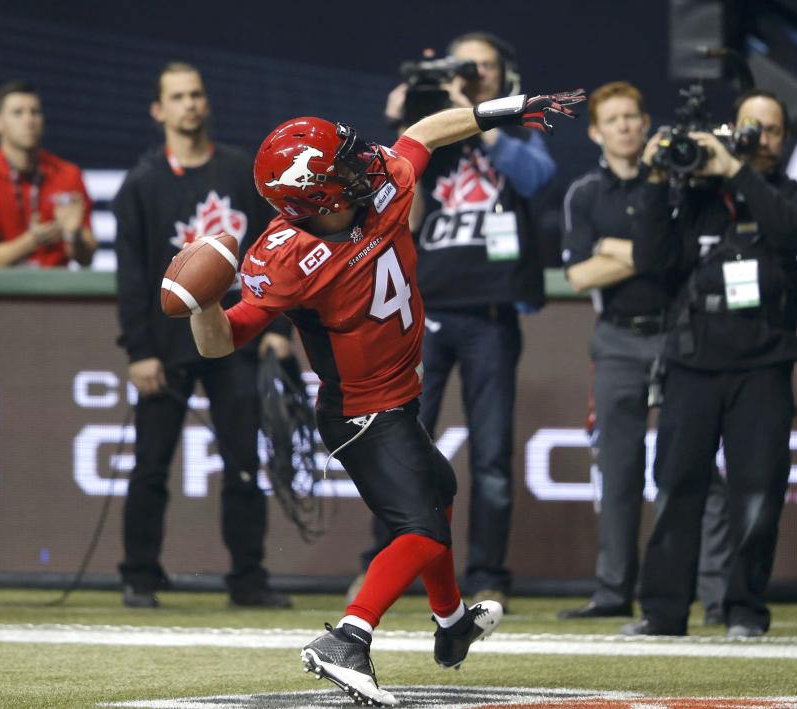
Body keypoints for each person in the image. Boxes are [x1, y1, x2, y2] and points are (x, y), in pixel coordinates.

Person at [187, 89, 583, 705]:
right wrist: (202, 304)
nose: (362, 165)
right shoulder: (286, 258)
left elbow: (424, 131)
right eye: (344, 166)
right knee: (422, 527)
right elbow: (222, 342)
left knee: (440, 494)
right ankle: (349, 636)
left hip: (397, 399)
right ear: (314, 195)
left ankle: (451, 623)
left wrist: (502, 109)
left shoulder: (384, 189)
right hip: (359, 411)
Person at [352, 32, 557, 612]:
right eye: (464, 68)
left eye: (484, 67)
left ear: (504, 74)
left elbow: (537, 180)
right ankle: (383, 564)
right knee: (399, 445)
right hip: (425, 311)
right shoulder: (427, 133)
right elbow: (388, 205)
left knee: (491, 453)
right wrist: (409, 122)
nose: (473, 76)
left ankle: (489, 573)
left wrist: (474, 117)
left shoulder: (518, 126)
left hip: (491, 312)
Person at [623, 90, 797, 638]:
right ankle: (663, 612)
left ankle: (744, 610)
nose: (761, 136)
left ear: (783, 139)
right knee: (677, 486)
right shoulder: (698, 198)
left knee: (757, 491)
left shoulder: (794, 194)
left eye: (773, 129)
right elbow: (650, 260)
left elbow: (786, 230)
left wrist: (735, 169)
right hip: (691, 363)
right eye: (751, 126)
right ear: (732, 128)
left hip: (763, 366)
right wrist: (658, 181)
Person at [114, 62, 292, 609]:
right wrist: (138, 351)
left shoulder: (242, 172)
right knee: (150, 466)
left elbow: (276, 251)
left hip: (234, 339)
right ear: (158, 110)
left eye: (196, 94)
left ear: (206, 103)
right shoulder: (141, 185)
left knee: (243, 463)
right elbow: (132, 276)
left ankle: (248, 579)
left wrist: (275, 326)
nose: (189, 104)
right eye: (177, 96)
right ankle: (140, 577)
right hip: (164, 351)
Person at [557, 82, 731, 622]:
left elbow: (684, 261)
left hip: (680, 334)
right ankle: (613, 592)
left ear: (647, 121)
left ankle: (718, 595)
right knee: (619, 470)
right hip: (616, 337)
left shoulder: (681, 184)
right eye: (614, 119)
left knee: (696, 468)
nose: (626, 126)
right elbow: (578, 274)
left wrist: (614, 249)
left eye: (633, 116)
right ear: (596, 131)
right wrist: (649, 254)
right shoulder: (585, 193)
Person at [0, 80, 97, 267]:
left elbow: (86, 258)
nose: (28, 120)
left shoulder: (68, 174)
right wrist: (31, 241)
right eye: (18, 113)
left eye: (35, 112)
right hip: (1, 294)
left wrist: (73, 235)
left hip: (56, 291)